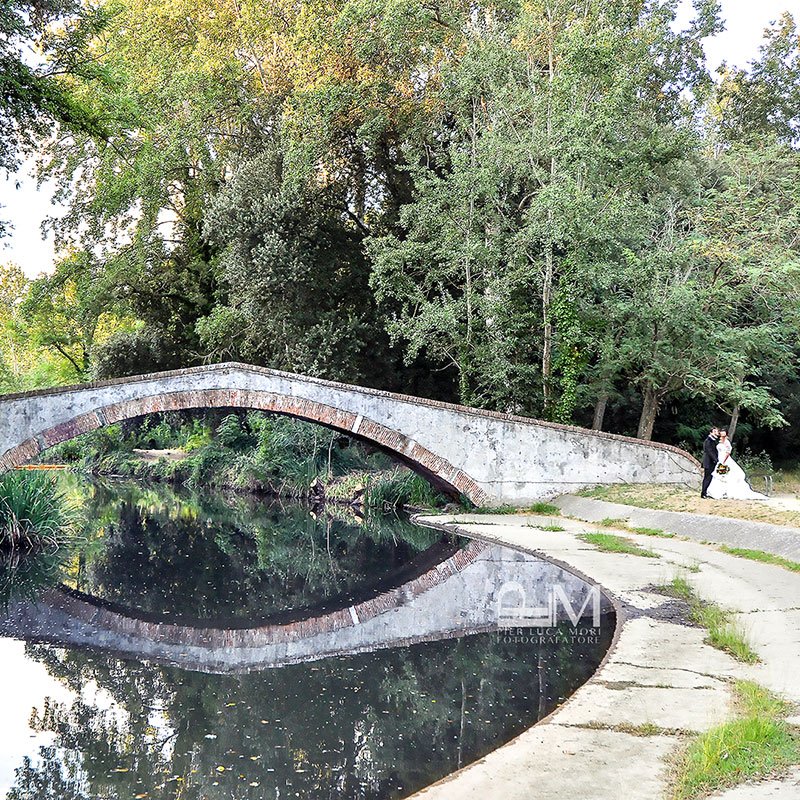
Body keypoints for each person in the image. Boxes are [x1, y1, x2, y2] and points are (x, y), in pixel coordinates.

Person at [706, 429, 768, 500]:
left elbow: (728, 452)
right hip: (720, 458)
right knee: (719, 476)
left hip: (724, 459)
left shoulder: (727, 442)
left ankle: (726, 492)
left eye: (723, 435)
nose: (722, 436)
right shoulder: (719, 442)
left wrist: (723, 461)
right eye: (721, 435)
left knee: (726, 475)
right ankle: (718, 491)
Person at [701, 426, 720, 499]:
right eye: (714, 432)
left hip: (711, 462)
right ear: (711, 433)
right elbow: (709, 451)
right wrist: (715, 459)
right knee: (707, 477)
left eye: (716, 431)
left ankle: (706, 492)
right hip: (708, 462)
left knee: (709, 477)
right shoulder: (708, 440)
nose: (716, 433)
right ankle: (703, 493)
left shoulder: (714, 440)